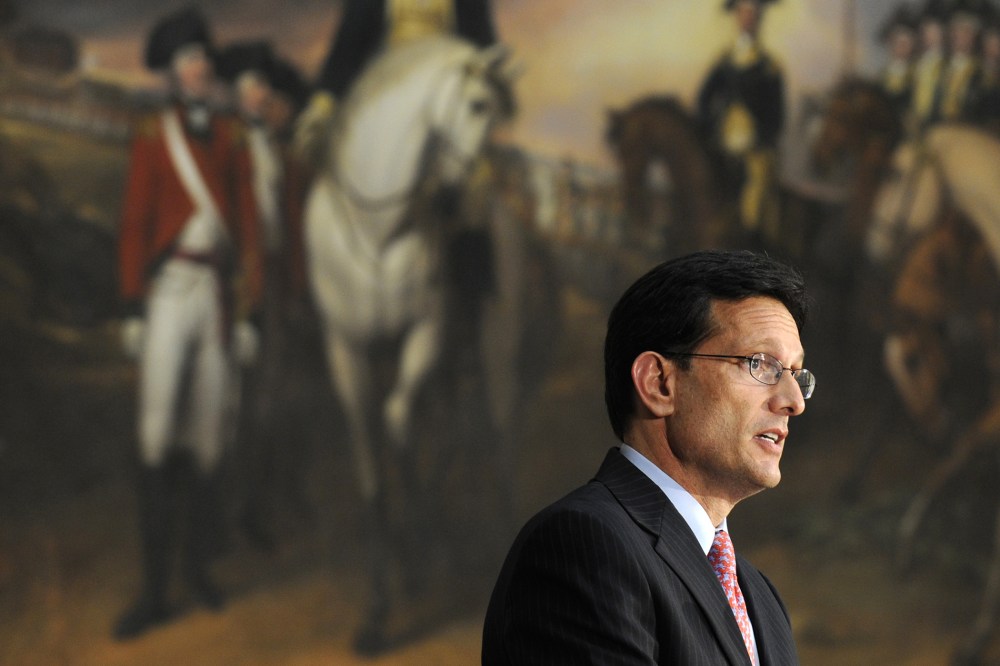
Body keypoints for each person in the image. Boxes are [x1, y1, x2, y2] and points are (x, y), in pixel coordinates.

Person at [483, 249, 813, 665]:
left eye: (796, 374)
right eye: (760, 364)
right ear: (659, 383)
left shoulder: (760, 597)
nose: (793, 401)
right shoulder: (585, 545)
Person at [114, 6, 261, 640]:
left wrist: (248, 309)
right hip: (169, 291)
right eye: (188, 61)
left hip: (217, 298)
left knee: (208, 438)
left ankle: (198, 572)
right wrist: (133, 305)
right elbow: (134, 222)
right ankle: (153, 592)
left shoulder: (231, 136)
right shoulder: (153, 134)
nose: (199, 69)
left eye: (204, 58)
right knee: (153, 437)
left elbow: (250, 229)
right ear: (173, 75)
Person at [216, 41, 312, 550]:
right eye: (252, 88)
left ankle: (252, 510)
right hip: (231, 293)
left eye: (266, 89)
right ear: (235, 94)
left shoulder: (282, 156)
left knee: (271, 406)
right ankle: (217, 520)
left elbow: (290, 233)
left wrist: (294, 291)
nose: (261, 98)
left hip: (274, 291)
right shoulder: (224, 147)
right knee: (226, 408)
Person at [293, 0, 497, 162]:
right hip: (379, 101)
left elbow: (483, 51)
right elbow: (346, 52)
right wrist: (323, 104)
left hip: (445, 113)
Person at [696, 0, 785, 249]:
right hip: (722, 138)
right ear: (736, 17)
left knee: (758, 180)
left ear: (758, 20)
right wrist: (710, 125)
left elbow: (777, 115)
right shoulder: (725, 61)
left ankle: (751, 237)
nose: (747, 19)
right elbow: (704, 98)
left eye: (752, 14)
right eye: (743, 13)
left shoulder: (769, 66)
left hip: (755, 144)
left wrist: (762, 139)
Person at [878, 4, 919, 116]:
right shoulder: (882, 76)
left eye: (906, 44)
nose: (901, 47)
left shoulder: (917, 74)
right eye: (898, 43)